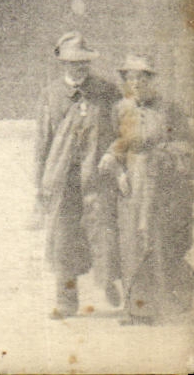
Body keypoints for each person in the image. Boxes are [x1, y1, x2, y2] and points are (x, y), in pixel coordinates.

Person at [98, 55, 192, 324]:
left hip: (162, 184)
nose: (136, 83)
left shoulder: (168, 109)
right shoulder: (120, 108)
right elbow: (116, 141)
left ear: (151, 79)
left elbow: (185, 143)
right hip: (130, 182)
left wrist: (162, 154)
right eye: (130, 78)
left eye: (141, 77)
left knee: (155, 242)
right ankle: (133, 308)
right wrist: (117, 169)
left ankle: (153, 307)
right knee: (129, 243)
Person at [34, 32, 120, 319]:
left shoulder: (107, 91)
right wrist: (40, 188)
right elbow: (42, 143)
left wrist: (115, 160)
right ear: (63, 64)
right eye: (72, 62)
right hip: (64, 179)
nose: (78, 67)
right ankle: (66, 301)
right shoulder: (51, 94)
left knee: (104, 232)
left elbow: (122, 131)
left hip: (97, 176)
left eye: (83, 62)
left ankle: (109, 281)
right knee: (63, 240)